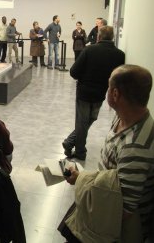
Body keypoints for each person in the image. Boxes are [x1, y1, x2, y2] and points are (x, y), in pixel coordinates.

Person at [62, 65, 154, 242]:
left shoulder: (136, 147)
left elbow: (122, 210)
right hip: (104, 197)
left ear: (115, 94)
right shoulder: (123, 117)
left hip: (116, 229)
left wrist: (81, 180)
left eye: (108, 86)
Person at [62, 26, 125, 160]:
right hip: (100, 94)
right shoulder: (120, 55)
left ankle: (71, 143)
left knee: (82, 122)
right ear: (113, 37)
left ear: (98, 37)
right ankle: (80, 151)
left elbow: (73, 72)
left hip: (84, 92)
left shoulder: (89, 50)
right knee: (89, 120)